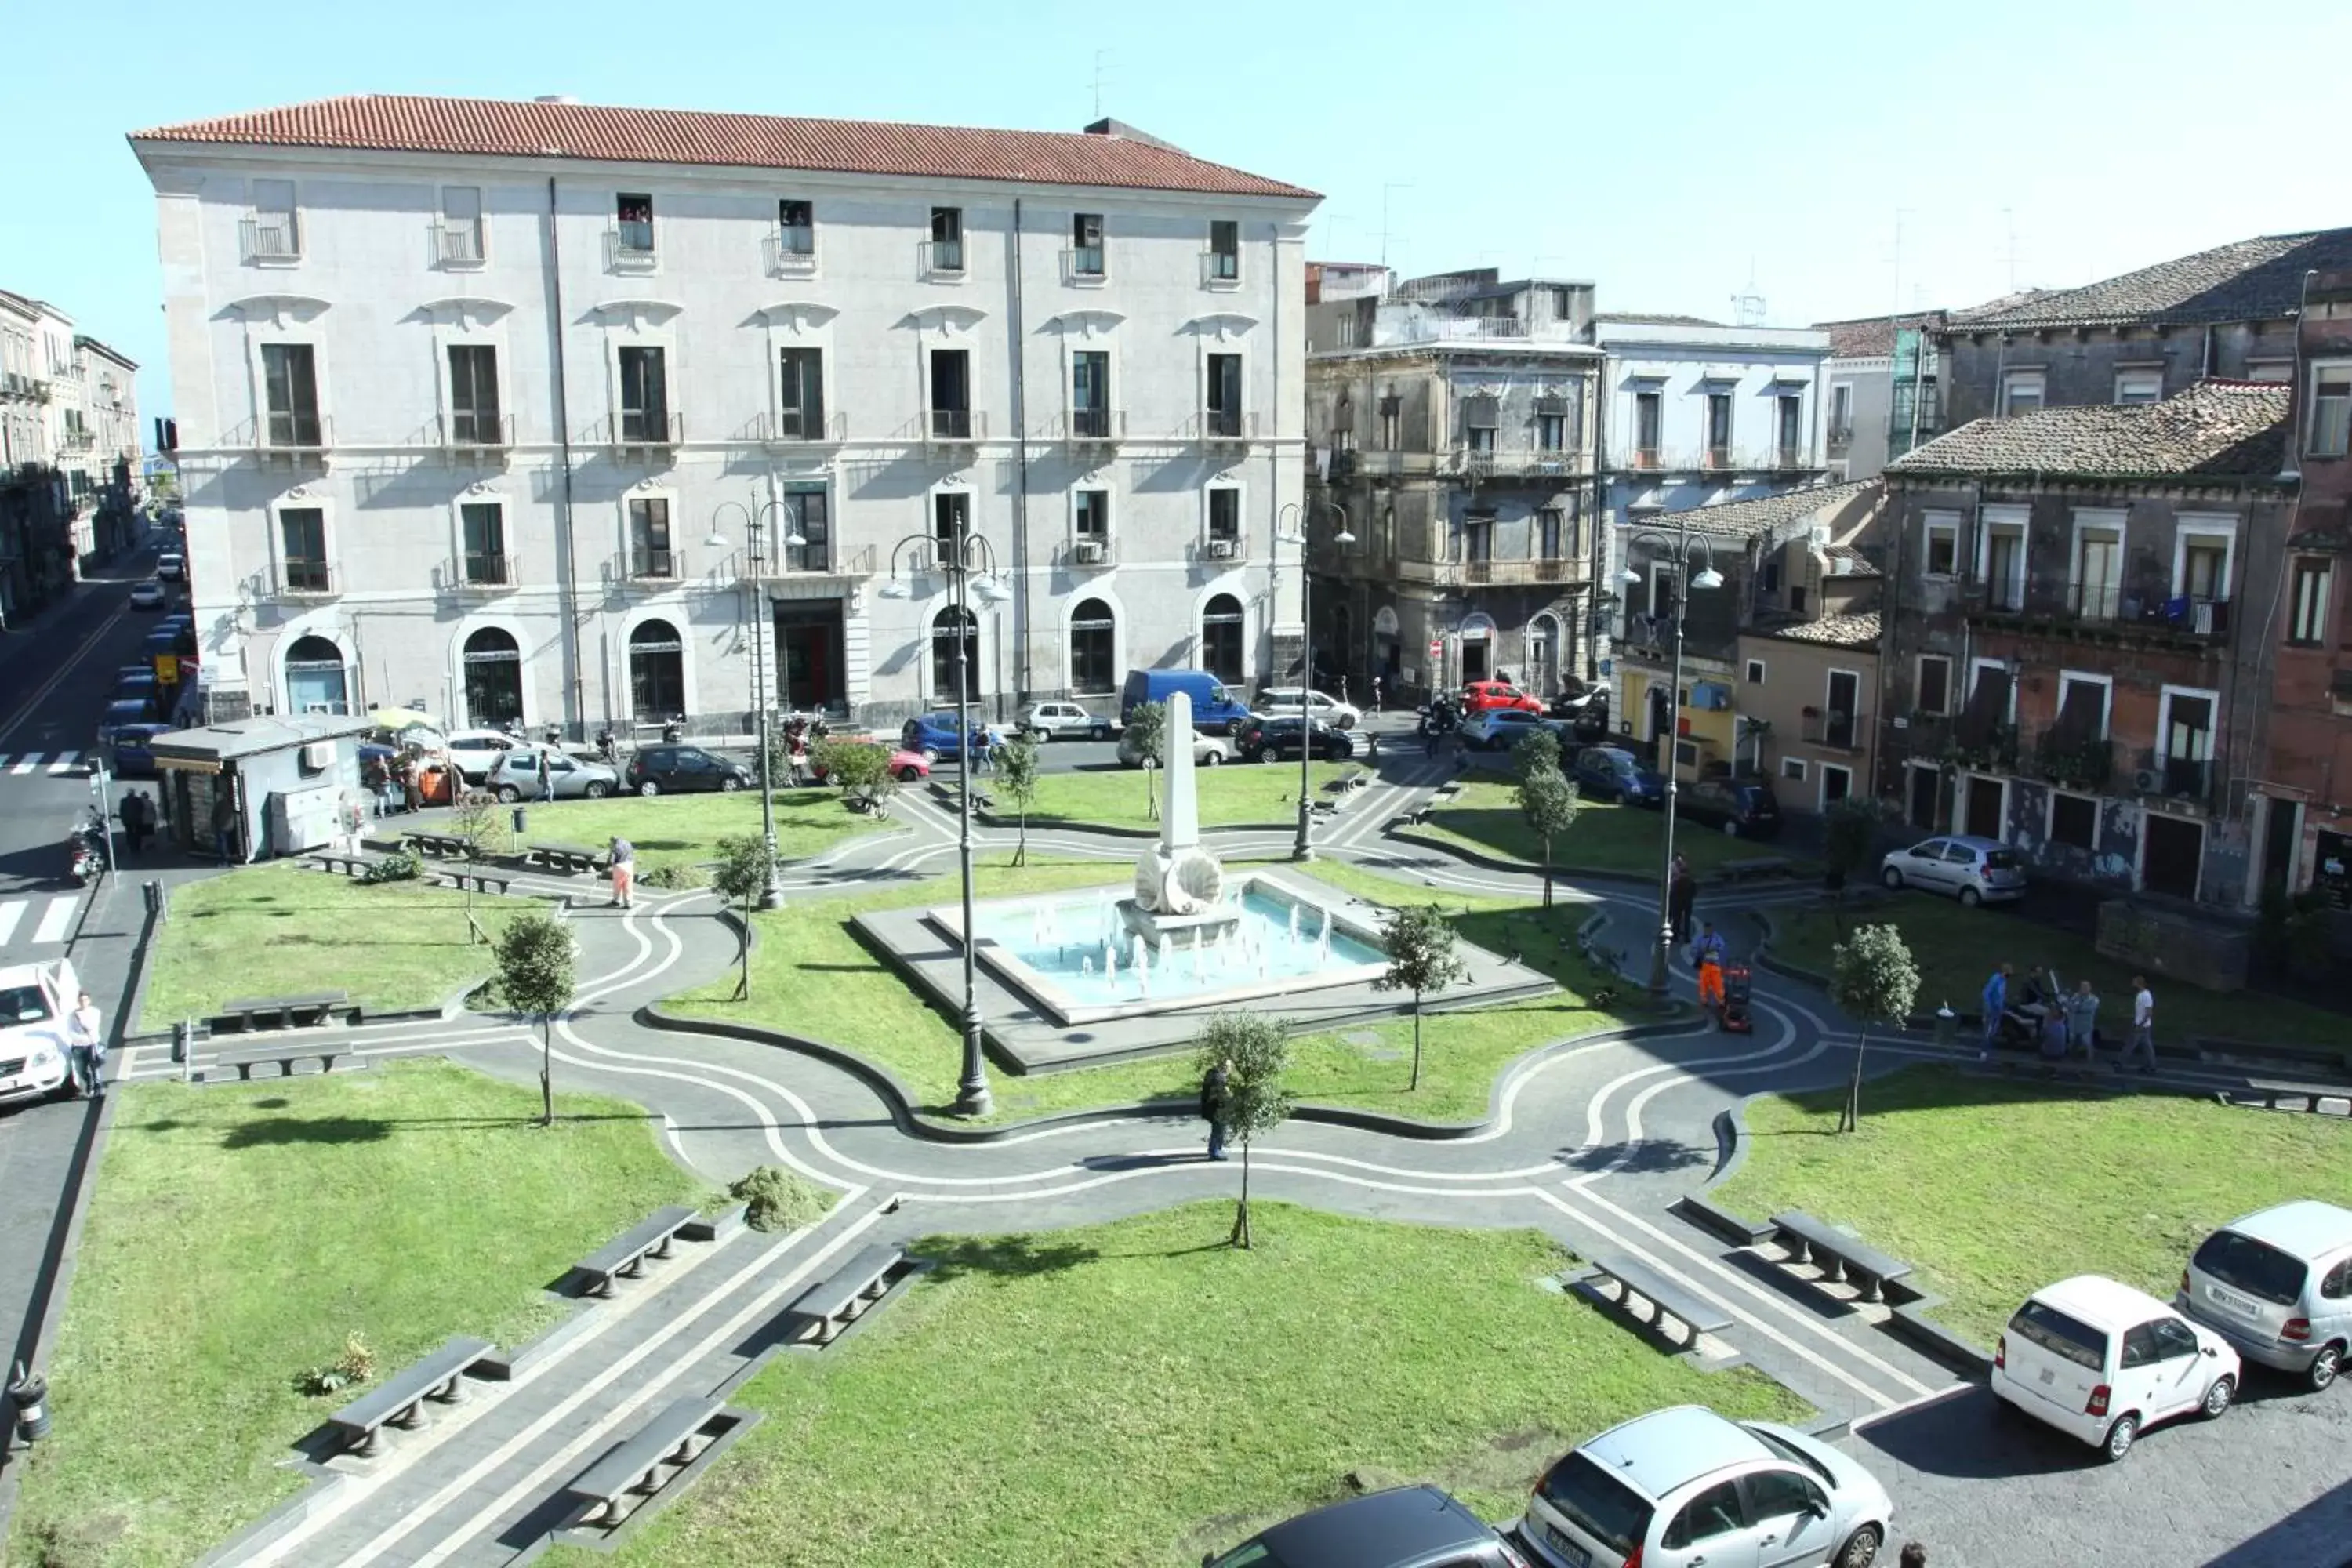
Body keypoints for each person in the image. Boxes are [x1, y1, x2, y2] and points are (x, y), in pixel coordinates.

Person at [67, 990, 103, 1101]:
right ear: (78, 1001)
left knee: (95, 1067)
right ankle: (89, 1081)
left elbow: (92, 1026)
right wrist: (80, 1038)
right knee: (80, 1069)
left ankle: (98, 1088)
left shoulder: (95, 1012)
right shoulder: (72, 1015)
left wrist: (84, 1036)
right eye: (81, 1000)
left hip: (92, 1045)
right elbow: (70, 1031)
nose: (83, 1002)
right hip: (78, 1047)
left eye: (86, 1000)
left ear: (89, 1001)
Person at [2120, 975, 2157, 1073]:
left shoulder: (2146, 996)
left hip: (2141, 1026)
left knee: (2130, 1044)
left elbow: (2149, 1012)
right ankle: (2151, 1065)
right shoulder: (2141, 994)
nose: (2132, 983)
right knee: (2147, 1046)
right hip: (2143, 1025)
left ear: (2138, 983)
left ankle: (2120, 1062)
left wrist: (2140, 1025)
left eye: (2134, 981)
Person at [1979, 961, 2012, 1061]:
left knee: (1993, 1030)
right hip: (1991, 1010)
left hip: (1998, 1010)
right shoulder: (1995, 979)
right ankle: (1983, 1052)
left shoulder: (2004, 981)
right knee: (1988, 1031)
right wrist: (1988, 1008)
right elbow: (1986, 993)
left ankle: (1989, 1049)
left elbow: (2000, 995)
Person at [2062, 978, 2100, 1062]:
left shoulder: (2094, 999)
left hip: (2085, 1026)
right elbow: (2069, 1005)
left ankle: (2090, 1062)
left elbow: (2084, 1009)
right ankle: (2070, 1061)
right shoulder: (2075, 997)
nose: (2084, 989)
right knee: (2072, 1044)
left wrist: (2071, 1006)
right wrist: (2066, 1003)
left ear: (2090, 988)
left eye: (2086, 987)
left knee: (2088, 1044)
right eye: (2082, 987)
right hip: (2074, 1025)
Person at [1200, 1057, 1231, 1161]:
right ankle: (1215, 1151)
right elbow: (1221, 1096)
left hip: (1209, 1107)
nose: (1230, 1068)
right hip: (1216, 1109)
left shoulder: (1211, 1073)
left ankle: (1215, 1149)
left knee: (1218, 1129)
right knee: (1219, 1129)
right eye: (1228, 1066)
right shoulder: (1220, 1078)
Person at [1693, 922, 1727, 1011]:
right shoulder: (1700, 938)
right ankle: (1704, 1000)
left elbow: (1721, 946)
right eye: (1706, 929)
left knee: (1717, 983)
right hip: (1705, 964)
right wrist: (1701, 950)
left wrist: (1713, 948)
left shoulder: (1716, 938)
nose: (1707, 931)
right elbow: (1695, 948)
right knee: (1704, 983)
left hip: (1715, 964)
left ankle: (1720, 1001)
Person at [1667, 853, 1697, 946]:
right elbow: (1694, 892)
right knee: (1687, 920)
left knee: (1677, 919)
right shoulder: (1691, 881)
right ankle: (1687, 937)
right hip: (1688, 902)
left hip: (1678, 902)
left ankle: (1675, 936)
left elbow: (1673, 891)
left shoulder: (1678, 881)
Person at [608, 836, 636, 909]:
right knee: (628, 885)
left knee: (617, 885)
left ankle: (616, 901)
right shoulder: (628, 843)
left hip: (619, 866)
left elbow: (611, 860)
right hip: (629, 865)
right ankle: (628, 903)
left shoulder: (615, 847)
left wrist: (606, 868)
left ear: (613, 841)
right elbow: (632, 853)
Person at [210, 790, 238, 865]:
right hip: (229, 826)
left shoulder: (219, 805)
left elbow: (214, 817)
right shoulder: (230, 805)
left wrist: (215, 825)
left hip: (222, 826)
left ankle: (226, 857)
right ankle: (229, 855)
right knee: (226, 841)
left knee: (222, 843)